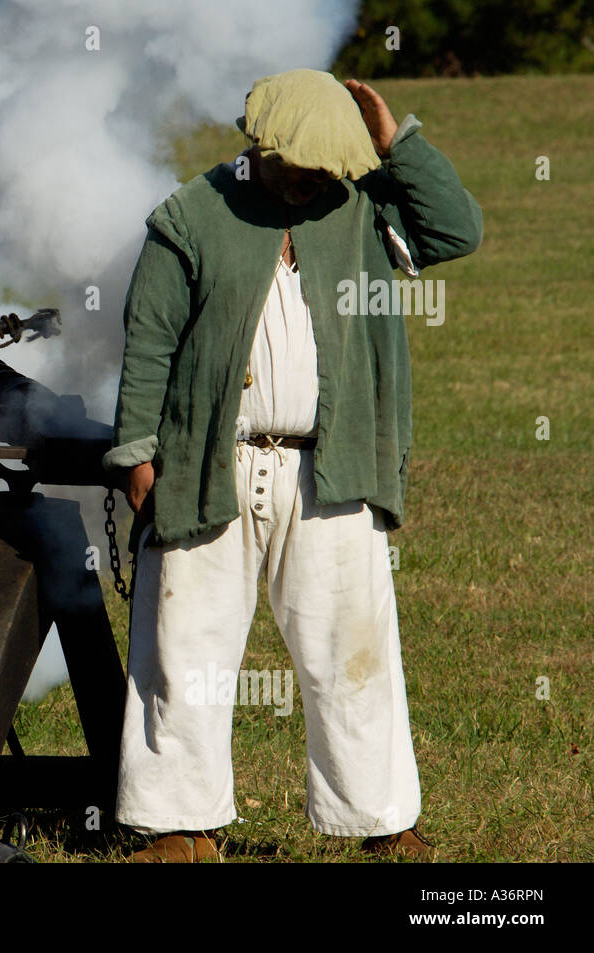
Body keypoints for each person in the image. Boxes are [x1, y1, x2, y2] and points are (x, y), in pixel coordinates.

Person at [102, 69, 482, 862]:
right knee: (185, 646)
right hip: (212, 464)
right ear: (261, 148)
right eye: (300, 167)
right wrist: (137, 452)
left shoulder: (364, 205)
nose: (313, 182)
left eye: (327, 169)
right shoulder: (192, 216)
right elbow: (148, 345)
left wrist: (395, 146)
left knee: (354, 648)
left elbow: (456, 231)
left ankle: (380, 819)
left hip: (332, 467)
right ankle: (179, 825)